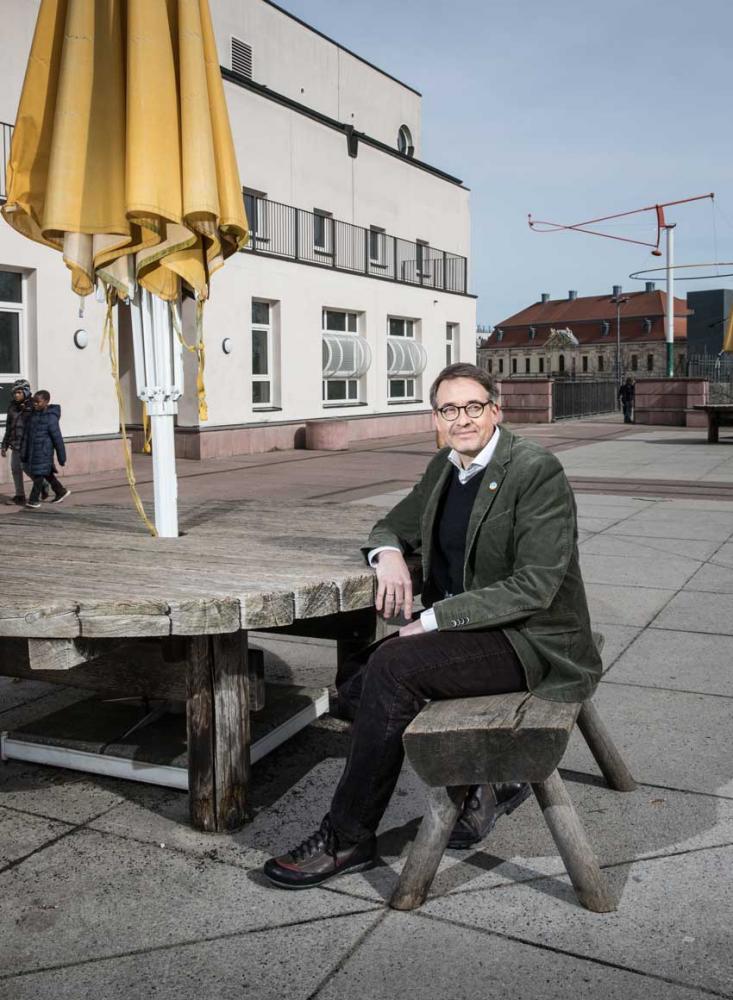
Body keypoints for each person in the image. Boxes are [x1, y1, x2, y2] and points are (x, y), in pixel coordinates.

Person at [263, 362, 602, 890]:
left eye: (473, 407)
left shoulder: (535, 471)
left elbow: (535, 585)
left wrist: (435, 618)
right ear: (436, 418)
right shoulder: (446, 466)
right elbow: (390, 524)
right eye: (449, 409)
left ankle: (347, 836)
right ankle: (485, 784)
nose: (462, 419)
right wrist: (389, 555)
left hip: (530, 639)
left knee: (393, 669)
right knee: (356, 674)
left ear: (496, 410)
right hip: (472, 635)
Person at [21, 390, 71, 508]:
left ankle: (33, 500)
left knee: (39, 475)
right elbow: (27, 436)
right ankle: (60, 491)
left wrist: (61, 457)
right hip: (34, 451)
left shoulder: (51, 418)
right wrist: (24, 452)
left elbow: (57, 439)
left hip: (44, 452)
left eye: (38, 402)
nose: (35, 404)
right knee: (47, 473)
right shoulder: (33, 416)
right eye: (34, 402)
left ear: (46, 402)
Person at [2, 379, 35, 505]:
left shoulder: (33, 406)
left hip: (27, 444)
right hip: (15, 444)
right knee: (15, 469)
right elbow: (8, 428)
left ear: (26, 392)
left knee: (26, 468)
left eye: (19, 392)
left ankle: (42, 484)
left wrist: (26, 409)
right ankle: (19, 495)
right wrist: (4, 445)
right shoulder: (12, 407)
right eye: (15, 392)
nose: (16, 395)